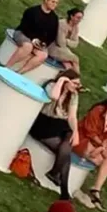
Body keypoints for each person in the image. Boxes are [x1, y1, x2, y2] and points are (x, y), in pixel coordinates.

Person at [28, 68, 83, 200]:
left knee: (67, 142)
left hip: (60, 124)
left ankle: (55, 174)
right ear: (67, 80)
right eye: (75, 83)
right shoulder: (52, 85)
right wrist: (62, 80)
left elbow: (72, 117)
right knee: (66, 153)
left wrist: (76, 133)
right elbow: (54, 97)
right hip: (44, 122)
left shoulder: (73, 95)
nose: (77, 87)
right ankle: (63, 189)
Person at [71, 87, 107, 210]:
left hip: (99, 144)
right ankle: (87, 186)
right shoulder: (98, 110)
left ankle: (96, 189)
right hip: (83, 138)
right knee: (99, 160)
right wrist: (101, 146)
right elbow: (89, 132)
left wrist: (102, 147)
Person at [4, 0, 61, 76]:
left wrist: (43, 43)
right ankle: (7, 67)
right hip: (23, 33)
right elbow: (24, 26)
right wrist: (33, 40)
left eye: (56, 3)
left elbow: (52, 35)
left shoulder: (54, 18)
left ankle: (19, 73)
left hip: (38, 42)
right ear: (46, 0)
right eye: (53, 2)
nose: (54, 5)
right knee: (28, 46)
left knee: (43, 55)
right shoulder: (32, 11)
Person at [48, 7, 83, 75]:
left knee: (69, 65)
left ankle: (72, 79)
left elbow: (75, 44)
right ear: (71, 16)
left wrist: (66, 41)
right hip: (53, 47)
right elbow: (60, 42)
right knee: (75, 59)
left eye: (81, 18)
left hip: (63, 49)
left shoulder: (76, 28)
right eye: (78, 18)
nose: (79, 20)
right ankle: (77, 79)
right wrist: (69, 42)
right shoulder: (62, 24)